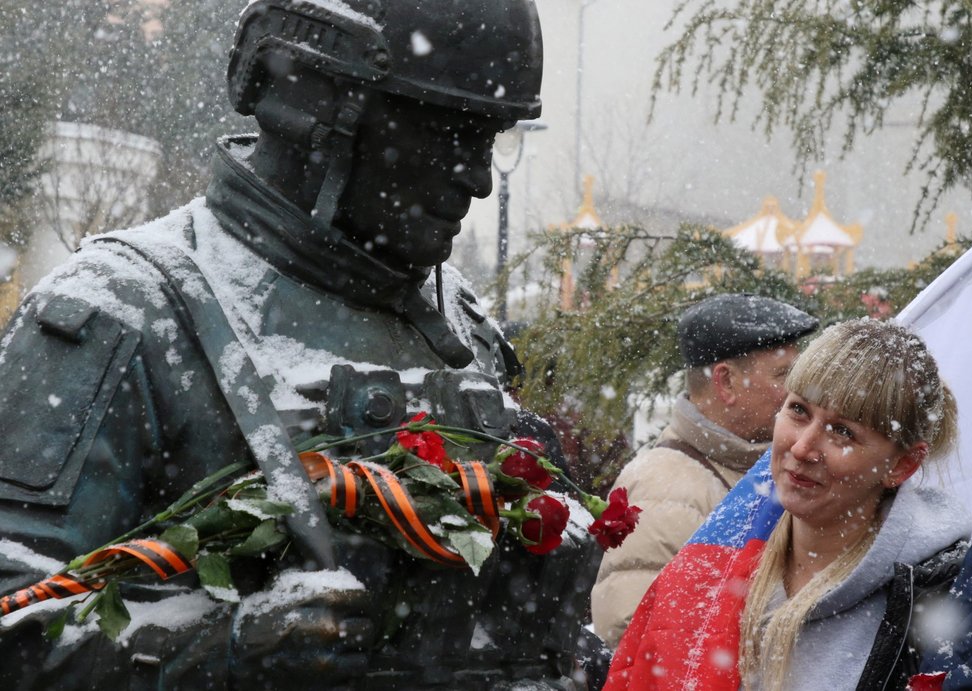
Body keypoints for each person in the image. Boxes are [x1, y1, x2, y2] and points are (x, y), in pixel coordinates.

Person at [0, 1, 599, 689]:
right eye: (446, 134)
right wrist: (209, 655)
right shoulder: (122, 309)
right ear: (318, 115)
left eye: (487, 140)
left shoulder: (460, 321)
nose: (477, 178)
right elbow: (13, 617)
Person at [605, 318, 971, 690]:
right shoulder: (718, 556)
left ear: (902, 465)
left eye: (842, 431)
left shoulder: (947, 599)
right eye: (798, 411)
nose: (801, 447)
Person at [590, 293, 817, 647]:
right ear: (725, 382)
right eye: (784, 375)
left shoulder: (750, 467)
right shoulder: (666, 488)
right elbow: (638, 642)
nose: (798, 393)